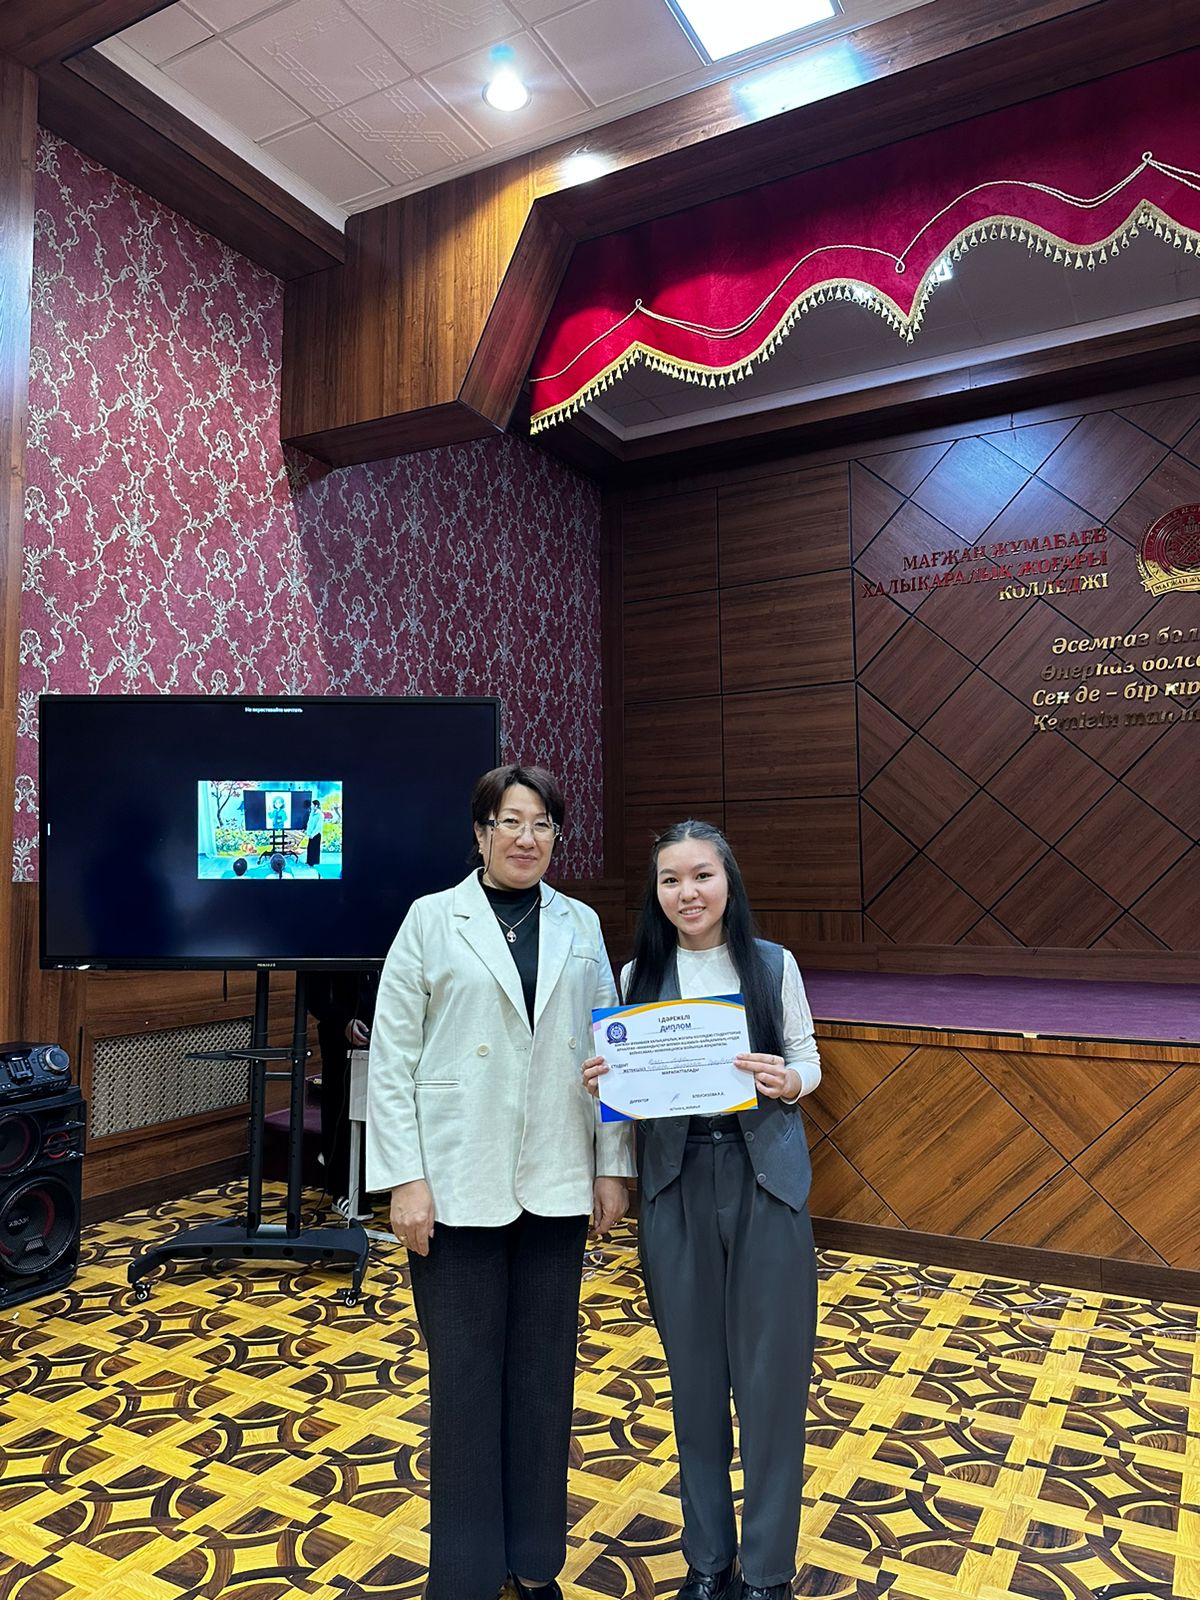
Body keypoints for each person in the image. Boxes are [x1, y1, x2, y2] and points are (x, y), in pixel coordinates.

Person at [367, 763, 635, 1600]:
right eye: (510, 821)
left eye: (542, 823)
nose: (527, 837)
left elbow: (613, 1051)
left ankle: (534, 1563)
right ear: (480, 833)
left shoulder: (582, 924)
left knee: (544, 1381)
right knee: (465, 1385)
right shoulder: (430, 919)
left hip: (557, 1178)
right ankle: (465, 1576)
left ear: (557, 836)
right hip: (455, 1183)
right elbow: (392, 1059)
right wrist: (404, 1179)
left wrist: (612, 1165)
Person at [584, 819, 820, 1600]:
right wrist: (607, 1082)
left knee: (772, 1382)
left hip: (765, 1181)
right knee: (693, 1380)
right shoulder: (636, 974)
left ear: (728, 882)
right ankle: (708, 1562)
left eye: (702, 876)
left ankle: (767, 1572)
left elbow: (808, 1057)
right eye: (671, 880)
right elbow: (622, 1092)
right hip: (675, 1181)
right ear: (656, 893)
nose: (688, 893)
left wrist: (791, 1081)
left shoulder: (772, 964)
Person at [306, 798, 324, 867]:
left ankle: (314, 862)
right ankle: (309, 861)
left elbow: (318, 826)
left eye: (312, 805)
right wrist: (308, 832)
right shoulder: (312, 813)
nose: (311, 806)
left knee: (315, 849)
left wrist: (313, 834)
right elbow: (309, 823)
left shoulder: (320, 815)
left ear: (316, 806)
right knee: (310, 848)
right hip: (311, 834)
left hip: (316, 834)